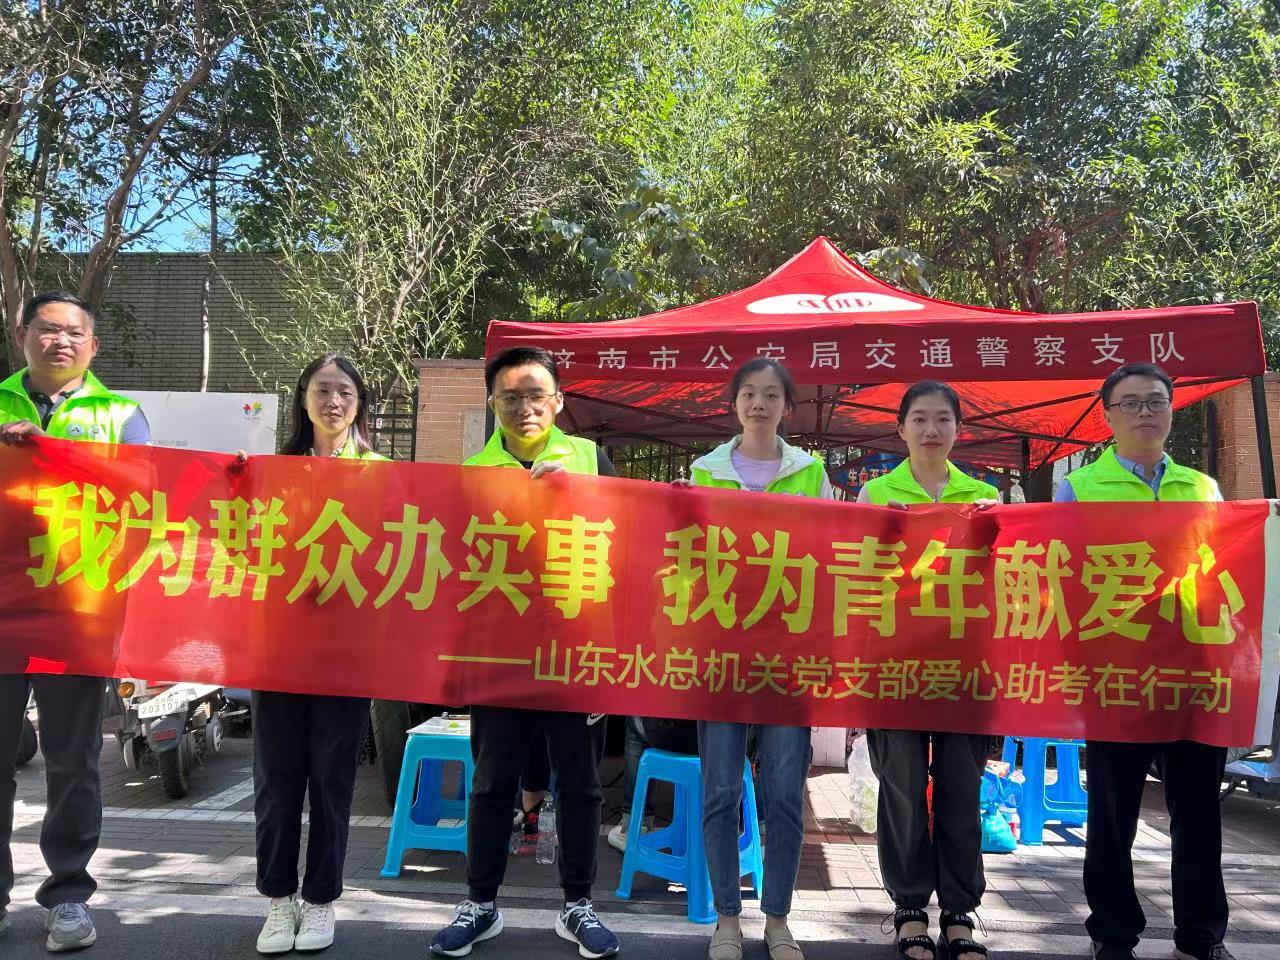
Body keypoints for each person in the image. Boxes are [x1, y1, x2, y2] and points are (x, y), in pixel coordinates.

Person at [430, 346, 619, 960]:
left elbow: (628, 540)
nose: (525, 407)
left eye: (536, 395)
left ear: (558, 401)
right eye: (510, 397)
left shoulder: (590, 458)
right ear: (493, 403)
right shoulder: (473, 471)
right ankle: (480, 904)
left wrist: (577, 496)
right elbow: (453, 559)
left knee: (581, 785)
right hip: (499, 656)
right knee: (491, 784)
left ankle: (578, 905)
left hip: (575, 653)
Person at [1057, 363, 1233, 960]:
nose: (1144, 413)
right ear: (1107, 416)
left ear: (1171, 410)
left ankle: (1201, 935)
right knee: (1113, 811)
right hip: (1117, 672)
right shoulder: (1080, 489)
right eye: (1130, 403)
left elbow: (1226, 569)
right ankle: (1113, 933)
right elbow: (1060, 573)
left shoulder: (1202, 489)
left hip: (1192, 670)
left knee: (1198, 808)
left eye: (1155, 401)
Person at [0, 290, 152, 952]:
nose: (59, 340)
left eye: (73, 333)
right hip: (0, 611)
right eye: (47, 329)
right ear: (22, 334)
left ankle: (67, 896)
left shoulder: (120, 415)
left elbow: (144, 493)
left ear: (93, 346)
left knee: (73, 760)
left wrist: (54, 452)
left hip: (76, 613)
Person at [684, 357, 835, 960]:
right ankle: (726, 919)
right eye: (749, 393)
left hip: (789, 656)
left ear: (787, 407)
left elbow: (832, 555)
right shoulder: (705, 471)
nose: (759, 404)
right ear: (734, 403)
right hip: (721, 655)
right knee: (720, 792)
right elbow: (687, 560)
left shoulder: (811, 473)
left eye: (772, 395)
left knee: (783, 796)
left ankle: (777, 920)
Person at [252, 354, 388, 955]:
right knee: (277, 781)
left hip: (345, 652)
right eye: (322, 390)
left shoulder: (383, 474)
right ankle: (279, 899)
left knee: (332, 780)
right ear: (302, 398)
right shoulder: (273, 470)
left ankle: (322, 899)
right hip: (277, 648)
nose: (333, 402)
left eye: (345, 392)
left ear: (359, 404)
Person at [857, 380, 997, 960]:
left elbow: (1004, 579)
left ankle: (960, 911)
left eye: (942, 419)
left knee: (963, 791)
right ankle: (910, 907)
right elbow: (853, 578)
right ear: (901, 428)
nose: (931, 429)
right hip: (896, 667)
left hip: (965, 667)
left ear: (959, 429)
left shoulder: (985, 496)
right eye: (919, 418)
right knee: (903, 789)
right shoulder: (875, 494)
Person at [607, 716, 699, 853]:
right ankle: (707, 828)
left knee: (636, 715)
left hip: (674, 733)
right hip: (709, 737)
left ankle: (635, 827)